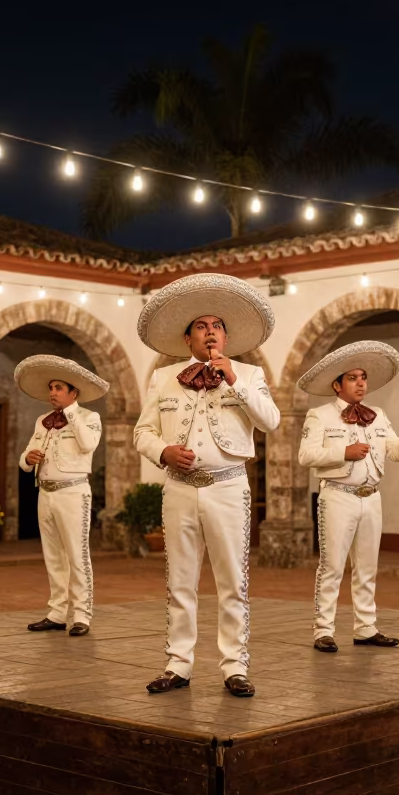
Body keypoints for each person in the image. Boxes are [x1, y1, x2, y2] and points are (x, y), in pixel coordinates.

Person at [134, 273, 279, 698]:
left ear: (226, 337)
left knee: (232, 581)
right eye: (201, 326)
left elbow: (271, 422)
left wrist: (234, 379)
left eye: (217, 326)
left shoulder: (248, 374)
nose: (210, 332)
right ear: (188, 338)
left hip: (228, 487)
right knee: (180, 582)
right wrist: (163, 451)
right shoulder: (163, 378)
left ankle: (235, 666)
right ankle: (178, 664)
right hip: (179, 488)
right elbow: (142, 432)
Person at [298, 341, 399, 652]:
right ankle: (323, 630)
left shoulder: (378, 415)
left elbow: (396, 452)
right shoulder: (320, 415)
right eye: (352, 378)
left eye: (363, 378)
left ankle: (366, 627)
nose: (360, 383)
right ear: (337, 385)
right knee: (332, 567)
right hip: (338, 496)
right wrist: (342, 452)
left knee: (367, 567)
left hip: (371, 497)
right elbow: (305, 455)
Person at [15, 355, 108, 637]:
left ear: (73, 392)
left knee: (77, 555)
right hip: (45, 493)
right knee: (53, 556)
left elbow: (88, 444)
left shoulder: (89, 418)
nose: (52, 393)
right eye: (51, 388)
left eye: (58, 388)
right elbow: (24, 457)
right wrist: (28, 459)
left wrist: (70, 413)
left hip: (73, 492)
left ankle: (81, 614)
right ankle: (57, 612)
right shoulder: (42, 421)